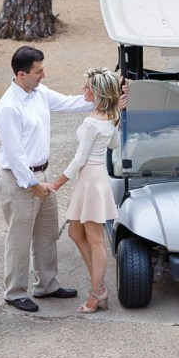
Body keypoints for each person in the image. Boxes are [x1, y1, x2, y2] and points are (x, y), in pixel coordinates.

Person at [0, 45, 92, 312]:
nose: (43, 75)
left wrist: (107, 99)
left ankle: (46, 285)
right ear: (22, 73)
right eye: (38, 71)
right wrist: (33, 184)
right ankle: (14, 292)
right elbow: (14, 154)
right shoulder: (8, 108)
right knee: (19, 239)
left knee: (47, 235)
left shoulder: (39, 93)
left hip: (42, 174)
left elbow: (71, 103)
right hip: (18, 180)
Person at [49, 67, 121, 315]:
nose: (83, 90)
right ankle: (97, 285)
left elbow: (79, 159)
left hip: (90, 178)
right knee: (75, 231)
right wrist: (116, 117)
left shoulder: (91, 123)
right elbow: (115, 143)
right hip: (95, 177)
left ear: (98, 92)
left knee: (95, 239)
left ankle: (97, 292)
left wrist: (57, 184)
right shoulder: (107, 119)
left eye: (87, 87)